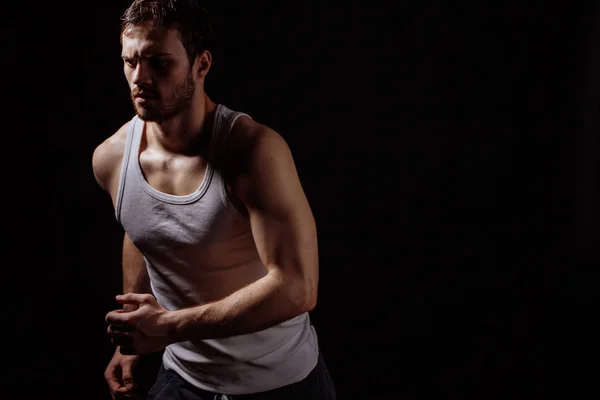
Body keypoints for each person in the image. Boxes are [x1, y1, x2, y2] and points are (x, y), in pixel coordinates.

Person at [91, 0, 336, 399]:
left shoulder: (253, 152)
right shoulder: (111, 158)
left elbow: (297, 287)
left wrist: (170, 328)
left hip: (281, 384)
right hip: (184, 380)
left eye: (159, 63)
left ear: (201, 65)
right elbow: (140, 228)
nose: (140, 78)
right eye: (130, 62)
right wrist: (132, 338)